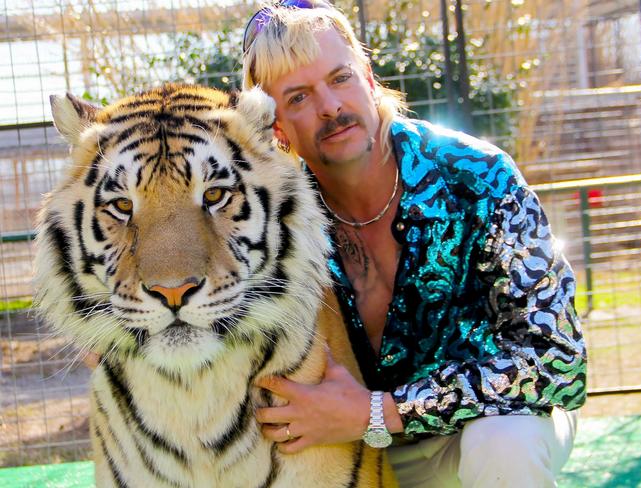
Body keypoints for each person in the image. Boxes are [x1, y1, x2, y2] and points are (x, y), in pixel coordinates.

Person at [241, 2, 587, 487]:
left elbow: (558, 361)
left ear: (367, 75)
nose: (331, 107)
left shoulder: (479, 177)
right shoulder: (276, 225)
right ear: (277, 128)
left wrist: (381, 411)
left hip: (485, 429)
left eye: (340, 78)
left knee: (505, 443)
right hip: (358, 450)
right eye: (299, 97)